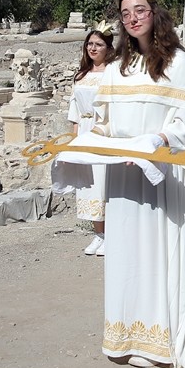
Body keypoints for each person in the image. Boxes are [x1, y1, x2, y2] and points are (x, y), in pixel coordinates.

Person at [93, 0, 185, 368]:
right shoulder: (115, 67)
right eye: (125, 14)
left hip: (159, 170)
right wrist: (104, 146)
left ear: (155, 13)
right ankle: (126, 336)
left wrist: (153, 143)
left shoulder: (177, 62)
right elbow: (102, 122)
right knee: (125, 254)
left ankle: (160, 341)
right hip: (122, 175)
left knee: (158, 253)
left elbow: (184, 121)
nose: (132, 18)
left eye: (139, 10)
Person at [69, 26, 115, 256]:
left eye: (98, 44)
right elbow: (74, 109)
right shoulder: (81, 75)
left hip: (103, 130)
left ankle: (112, 234)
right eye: (90, 44)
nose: (93, 48)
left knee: (103, 182)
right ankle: (99, 234)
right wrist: (74, 138)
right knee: (88, 185)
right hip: (84, 131)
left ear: (108, 48)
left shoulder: (113, 73)